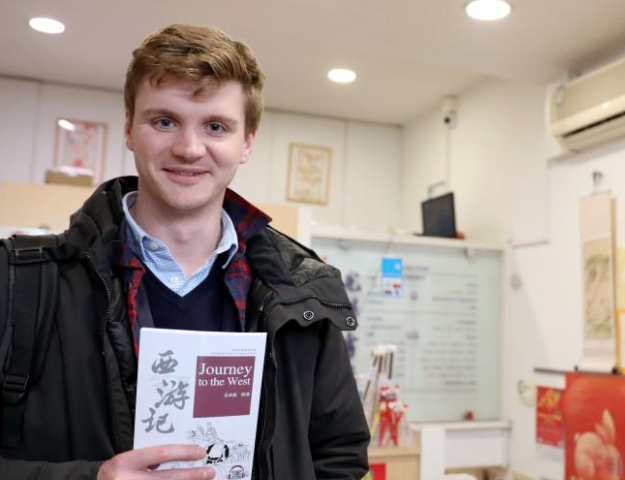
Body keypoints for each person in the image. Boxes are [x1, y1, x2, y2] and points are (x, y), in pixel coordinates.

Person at [0, 24, 369, 480]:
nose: (189, 149)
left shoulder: (301, 292)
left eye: (215, 126)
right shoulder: (20, 281)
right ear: (129, 129)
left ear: (246, 142)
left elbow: (339, 457)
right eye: (164, 121)